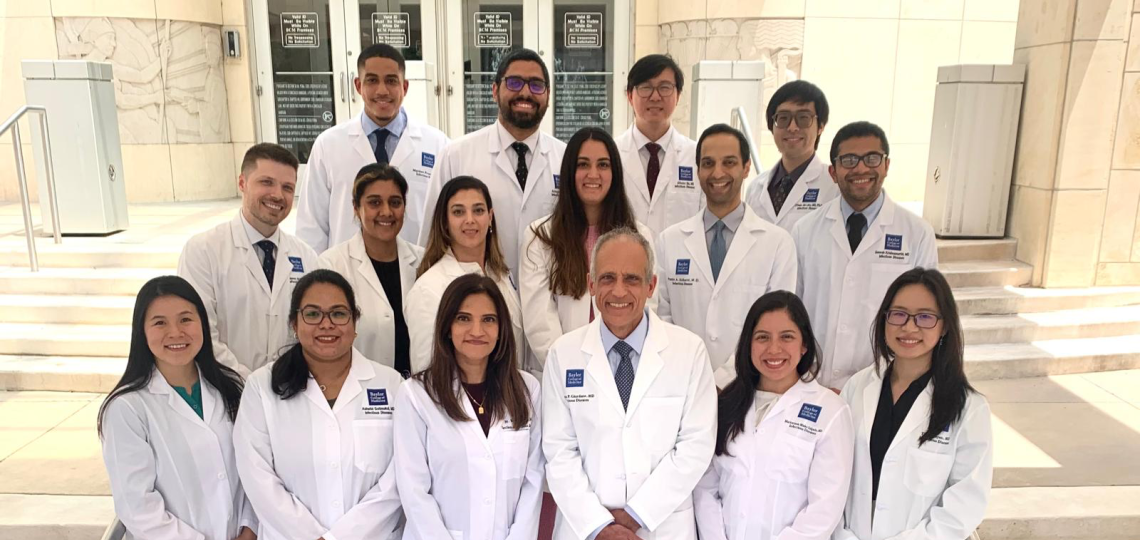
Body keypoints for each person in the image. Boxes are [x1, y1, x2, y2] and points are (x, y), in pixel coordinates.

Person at [543, 228, 716, 540]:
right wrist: (600, 526)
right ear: (591, 284)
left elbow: (696, 446)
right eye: (608, 278)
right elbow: (559, 451)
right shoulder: (563, 354)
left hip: (661, 525)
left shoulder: (689, 352)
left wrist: (636, 515)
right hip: (585, 528)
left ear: (651, 286)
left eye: (632, 279)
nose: (619, 291)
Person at [234, 269, 405, 540]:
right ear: (294, 323)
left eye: (338, 314)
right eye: (312, 314)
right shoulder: (261, 387)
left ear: (355, 322)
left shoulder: (391, 384)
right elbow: (258, 476)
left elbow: (399, 475)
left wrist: (342, 536)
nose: (326, 324)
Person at [835, 268, 993, 540]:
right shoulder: (857, 387)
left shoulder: (969, 409)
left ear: (944, 326)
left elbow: (965, 503)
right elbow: (833, 474)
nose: (909, 327)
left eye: (925, 317)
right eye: (898, 314)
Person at [99, 275, 255, 540]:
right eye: (160, 323)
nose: (175, 333)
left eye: (185, 319)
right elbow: (137, 506)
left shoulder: (232, 386)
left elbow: (256, 470)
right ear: (142, 331)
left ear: (202, 324)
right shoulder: (127, 408)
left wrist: (249, 529)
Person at [693, 291, 853, 540]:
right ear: (748, 345)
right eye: (762, 337)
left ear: (804, 345)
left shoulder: (830, 411)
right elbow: (706, 486)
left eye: (786, 337)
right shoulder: (727, 404)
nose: (774, 349)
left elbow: (823, 510)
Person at [395, 273, 544, 540]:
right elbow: (414, 490)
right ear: (446, 327)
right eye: (464, 318)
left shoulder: (527, 390)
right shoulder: (416, 395)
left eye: (488, 319)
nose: (477, 331)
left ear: (501, 330)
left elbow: (532, 482)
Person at [790, 121, 938, 391]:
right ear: (833, 172)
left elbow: (926, 318)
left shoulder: (917, 234)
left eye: (871, 158)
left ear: (886, 165)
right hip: (813, 383)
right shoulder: (805, 230)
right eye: (849, 160)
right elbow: (793, 309)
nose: (860, 168)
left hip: (884, 387)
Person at [656, 124, 797, 387]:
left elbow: (776, 325)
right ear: (698, 170)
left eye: (729, 162)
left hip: (749, 384)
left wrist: (722, 380)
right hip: (682, 382)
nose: (717, 172)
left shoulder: (777, 244)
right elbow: (662, 318)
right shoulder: (669, 241)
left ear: (746, 168)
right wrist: (694, 377)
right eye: (708, 163)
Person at [419, 48, 567, 279]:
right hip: (475, 299)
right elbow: (432, 239)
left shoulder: (566, 159)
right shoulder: (455, 156)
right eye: (515, 83)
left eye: (536, 85)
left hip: (548, 300)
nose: (526, 92)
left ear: (548, 96)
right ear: (495, 90)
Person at [178, 143, 322, 377]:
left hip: (289, 388)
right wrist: (248, 383)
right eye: (266, 182)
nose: (277, 194)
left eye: (287, 187)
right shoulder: (203, 251)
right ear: (242, 183)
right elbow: (199, 333)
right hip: (225, 389)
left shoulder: (306, 257)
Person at [520, 127, 655, 373]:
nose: (593, 174)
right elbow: (539, 323)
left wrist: (618, 366)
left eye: (603, 165)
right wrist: (574, 371)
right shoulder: (539, 237)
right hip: (565, 374)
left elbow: (645, 307)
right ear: (570, 172)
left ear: (615, 172)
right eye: (583, 164)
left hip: (624, 368)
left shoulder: (639, 236)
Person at [297, 44, 450, 251]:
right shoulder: (328, 145)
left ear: (404, 87)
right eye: (372, 80)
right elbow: (311, 226)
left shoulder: (437, 145)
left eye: (391, 81)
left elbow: (448, 220)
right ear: (358, 85)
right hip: (346, 274)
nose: (382, 90)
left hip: (417, 272)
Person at [407, 176, 526, 375]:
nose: (469, 220)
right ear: (444, 222)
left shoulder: (501, 275)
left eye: (478, 210)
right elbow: (427, 371)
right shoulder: (428, 288)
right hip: (455, 403)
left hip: (506, 396)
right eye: (458, 212)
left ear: (490, 217)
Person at [320, 164, 423, 377]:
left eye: (395, 202)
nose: (386, 211)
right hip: (357, 393)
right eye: (374, 202)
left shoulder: (424, 262)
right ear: (356, 207)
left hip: (418, 392)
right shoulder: (332, 266)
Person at [615, 54, 701, 237]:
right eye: (646, 87)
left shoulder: (697, 157)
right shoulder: (611, 154)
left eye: (665, 88)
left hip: (679, 264)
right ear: (630, 96)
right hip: (625, 263)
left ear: (678, 95)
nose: (655, 97)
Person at [744, 80, 839, 231]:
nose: (792, 127)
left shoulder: (835, 186)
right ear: (771, 126)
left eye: (803, 118)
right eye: (783, 118)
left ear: (820, 127)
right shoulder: (755, 188)